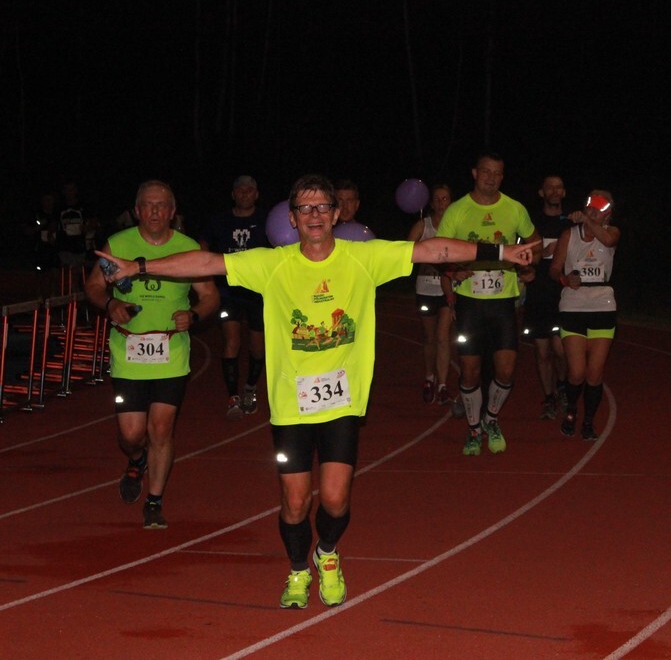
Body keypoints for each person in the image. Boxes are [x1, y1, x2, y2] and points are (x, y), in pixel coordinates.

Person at [95, 173, 533, 609]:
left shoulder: (364, 257)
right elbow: (207, 264)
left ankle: (326, 555)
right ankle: (298, 571)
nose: (315, 215)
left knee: (337, 499)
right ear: (293, 217)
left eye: (323, 207)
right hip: (291, 406)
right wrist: (139, 267)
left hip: (343, 400)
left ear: (337, 214)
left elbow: (434, 249)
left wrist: (503, 252)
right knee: (295, 502)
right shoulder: (274, 263)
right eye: (305, 208)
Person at [84, 179, 220, 529]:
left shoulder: (188, 247)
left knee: (161, 429)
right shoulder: (118, 244)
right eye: (148, 204)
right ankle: (137, 457)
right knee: (131, 434)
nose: (155, 211)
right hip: (128, 352)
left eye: (162, 205)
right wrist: (110, 303)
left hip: (171, 352)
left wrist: (193, 316)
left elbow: (210, 297)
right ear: (137, 210)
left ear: (173, 212)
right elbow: (94, 286)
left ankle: (155, 501)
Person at [436, 151, 542, 456]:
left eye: (497, 173)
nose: (491, 178)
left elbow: (535, 243)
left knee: (506, 370)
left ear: (502, 176)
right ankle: (473, 428)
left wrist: (527, 261)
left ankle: (491, 420)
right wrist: (453, 270)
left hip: (503, 302)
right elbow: (440, 250)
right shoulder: (457, 211)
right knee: (469, 371)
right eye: (486, 172)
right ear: (474, 173)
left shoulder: (514, 208)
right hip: (470, 302)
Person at [550, 190, 621, 441]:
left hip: (603, 306)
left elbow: (607, 240)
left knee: (594, 372)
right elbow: (554, 268)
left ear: (608, 213)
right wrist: (565, 278)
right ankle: (571, 410)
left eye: (599, 209)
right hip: (573, 307)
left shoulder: (611, 233)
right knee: (577, 371)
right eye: (590, 207)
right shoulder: (569, 234)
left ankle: (589, 421)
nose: (592, 212)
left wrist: (588, 221)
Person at [200, 175, 270, 420]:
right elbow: (203, 244)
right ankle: (233, 396)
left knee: (257, 346)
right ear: (233, 194)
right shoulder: (220, 220)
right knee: (231, 342)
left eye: (249, 190)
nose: (244, 194)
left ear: (256, 194)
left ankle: (250, 388)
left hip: (257, 293)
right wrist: (205, 271)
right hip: (228, 291)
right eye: (239, 190)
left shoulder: (266, 220)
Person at [522, 175, 572, 419]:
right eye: (550, 187)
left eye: (559, 187)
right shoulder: (531, 224)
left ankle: (562, 385)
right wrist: (539, 255)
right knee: (542, 352)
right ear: (542, 192)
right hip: (537, 295)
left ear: (563, 192)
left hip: (564, 297)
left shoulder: (571, 223)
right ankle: (549, 397)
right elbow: (521, 255)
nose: (554, 190)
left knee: (561, 350)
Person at [407, 183, 460, 405]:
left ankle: (442, 385)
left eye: (445, 199)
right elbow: (405, 251)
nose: (440, 203)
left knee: (443, 337)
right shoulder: (423, 225)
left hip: (448, 290)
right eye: (437, 199)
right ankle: (429, 377)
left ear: (451, 202)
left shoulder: (457, 227)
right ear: (431, 203)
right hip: (425, 288)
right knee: (429, 338)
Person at [56, 180, 88, 270]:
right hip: (64, 245)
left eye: (71, 189)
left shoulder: (83, 206)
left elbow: (91, 222)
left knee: (78, 271)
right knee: (66, 271)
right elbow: (54, 224)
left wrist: (87, 227)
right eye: (67, 189)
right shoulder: (59, 207)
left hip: (80, 245)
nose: (69, 192)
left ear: (76, 190)